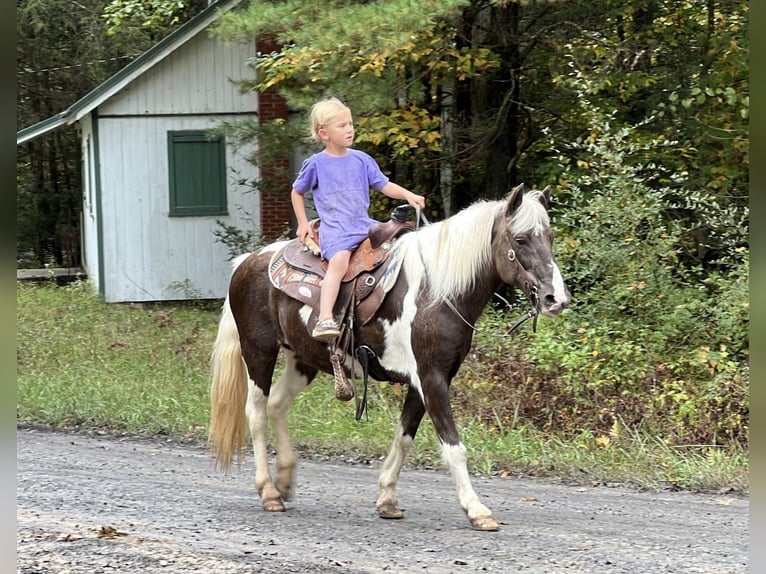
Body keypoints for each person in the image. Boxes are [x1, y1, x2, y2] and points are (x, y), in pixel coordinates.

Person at [291, 97, 426, 340]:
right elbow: (297, 191)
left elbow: (384, 185)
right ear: (324, 133)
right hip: (337, 230)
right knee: (340, 262)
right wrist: (303, 223)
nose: (350, 129)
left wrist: (408, 195)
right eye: (342, 125)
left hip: (364, 226)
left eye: (351, 124)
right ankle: (325, 318)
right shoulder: (316, 164)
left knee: (396, 247)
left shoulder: (362, 160)